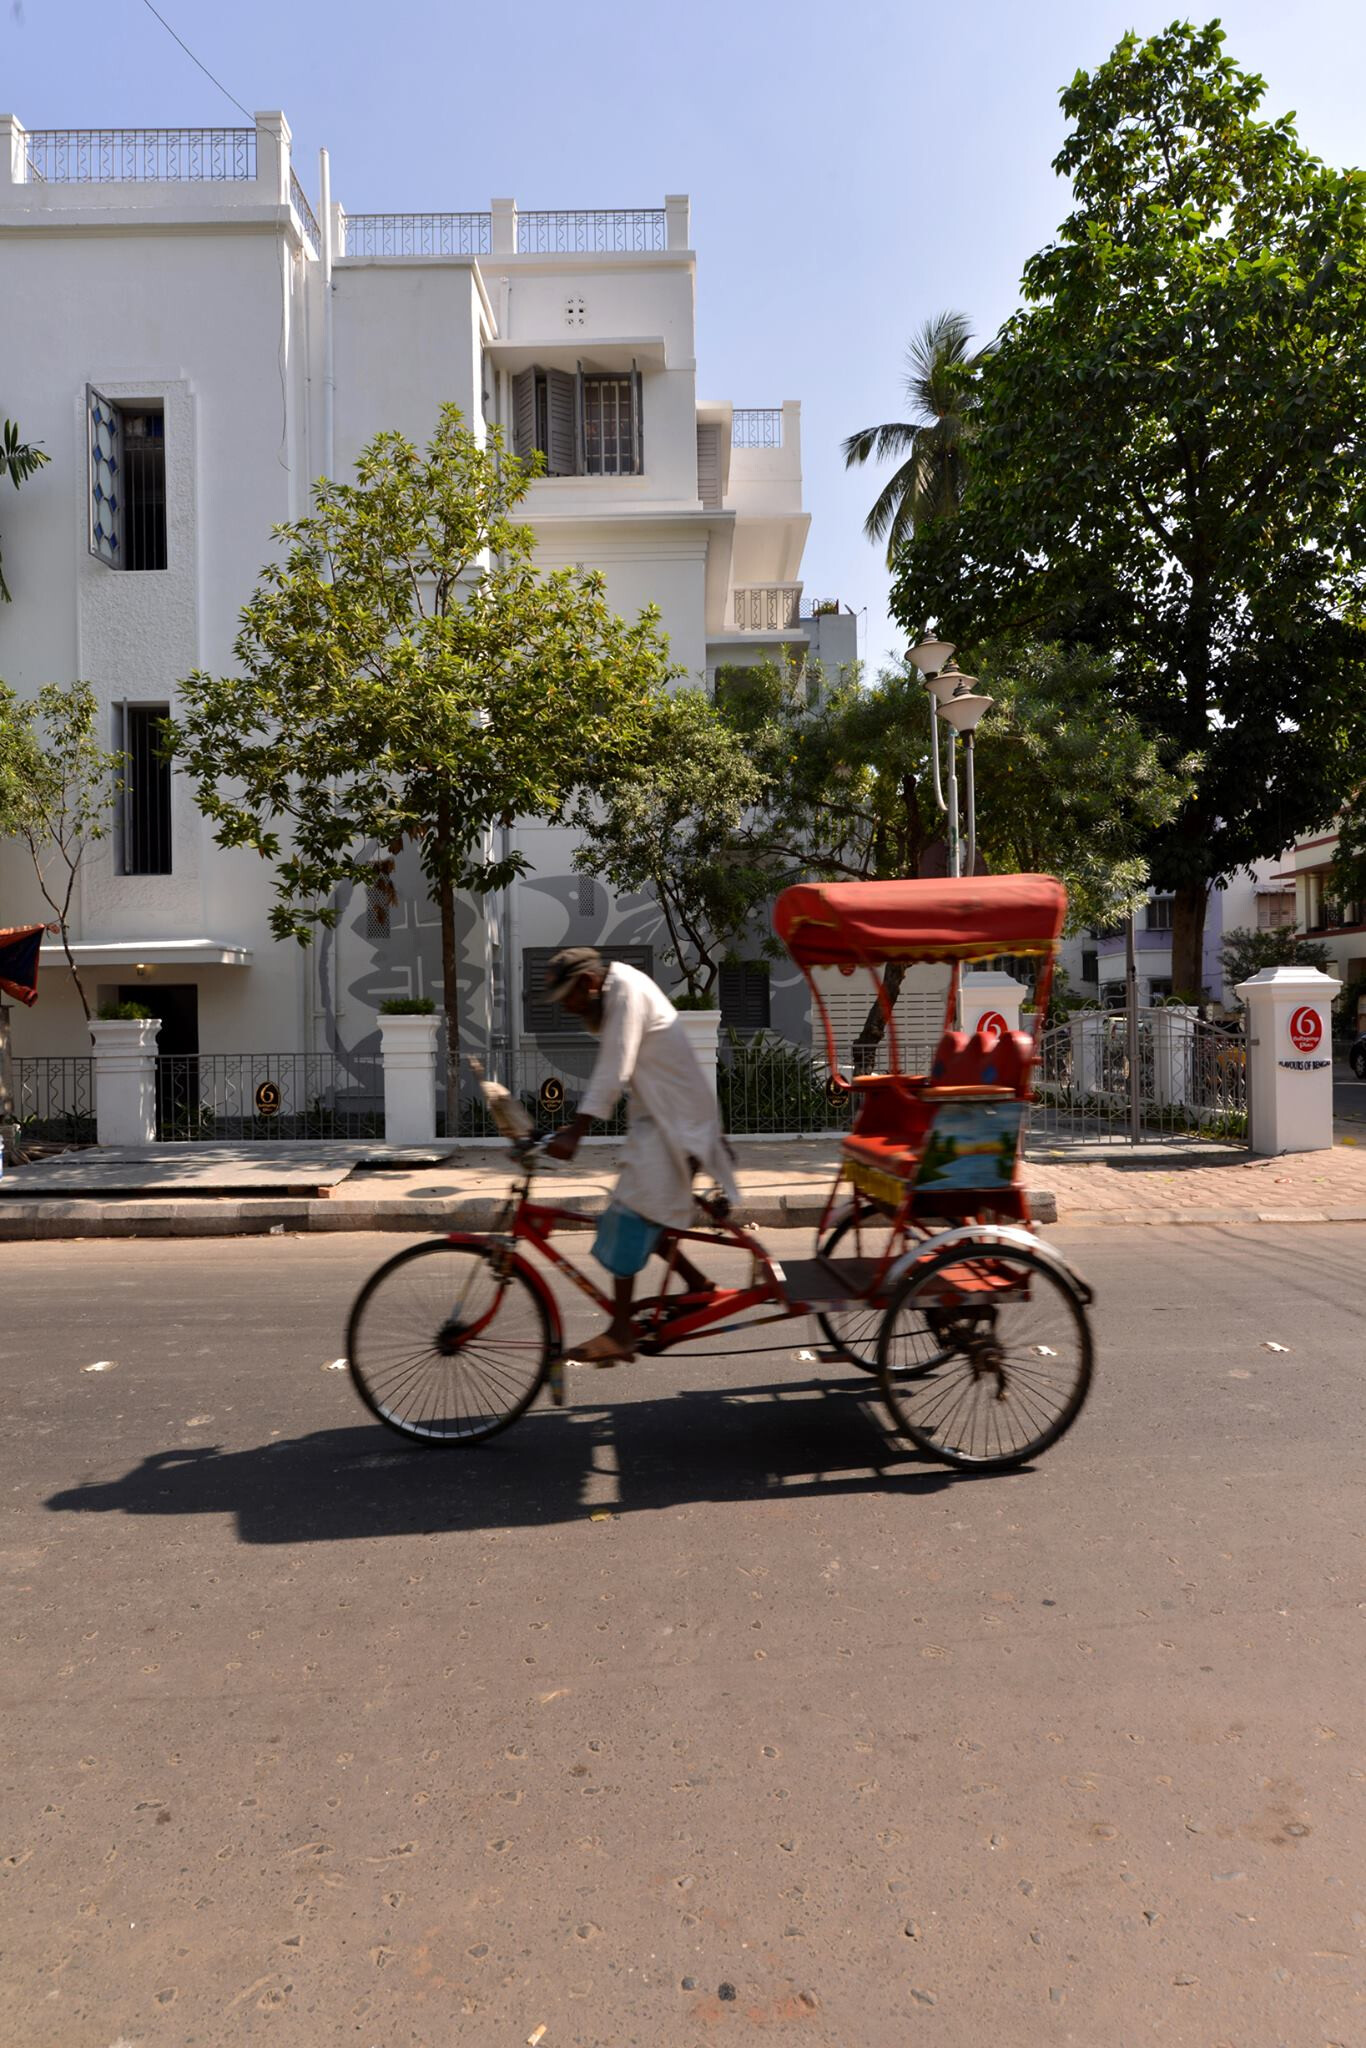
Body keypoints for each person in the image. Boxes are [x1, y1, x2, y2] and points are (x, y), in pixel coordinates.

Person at [541, 947, 739, 1362]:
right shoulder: (615, 994)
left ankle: (620, 1333)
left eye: (570, 999)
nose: (571, 1010)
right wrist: (570, 1127)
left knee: (629, 1213)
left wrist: (576, 1131)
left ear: (588, 983)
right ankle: (699, 1285)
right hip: (660, 1120)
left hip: (678, 1125)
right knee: (653, 1214)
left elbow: (614, 1068)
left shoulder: (626, 992)